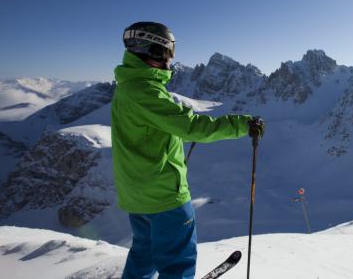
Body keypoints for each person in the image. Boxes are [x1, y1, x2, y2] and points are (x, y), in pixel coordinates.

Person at [111, 22, 264, 279]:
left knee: (144, 254)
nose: (171, 59)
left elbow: (154, 127)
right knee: (177, 263)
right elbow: (194, 129)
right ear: (155, 51)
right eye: (169, 51)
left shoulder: (128, 86)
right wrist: (243, 125)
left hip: (137, 195)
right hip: (164, 197)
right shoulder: (146, 92)